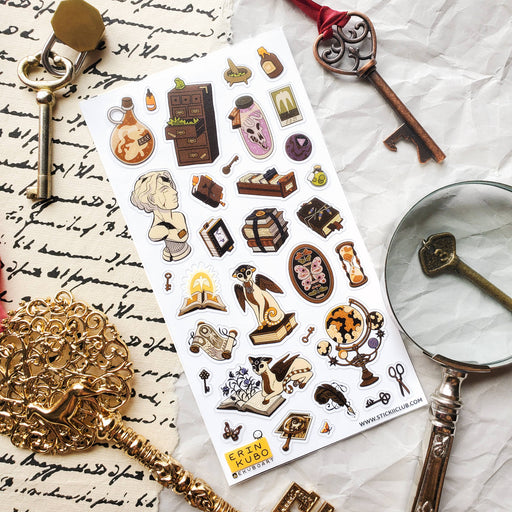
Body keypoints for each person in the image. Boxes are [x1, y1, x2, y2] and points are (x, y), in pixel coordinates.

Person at [131, 170, 191, 262]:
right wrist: (176, 233)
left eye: (171, 187)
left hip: (186, 252)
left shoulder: (179, 216)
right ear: (151, 199)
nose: (175, 192)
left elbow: (183, 235)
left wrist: (169, 233)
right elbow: (181, 236)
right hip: (175, 258)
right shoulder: (155, 230)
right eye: (165, 190)